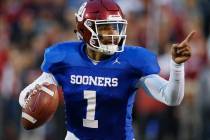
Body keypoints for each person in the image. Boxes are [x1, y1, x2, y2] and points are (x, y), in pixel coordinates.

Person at [18, 0, 195, 139]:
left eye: (117, 28)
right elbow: (25, 96)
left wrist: (177, 66)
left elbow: (171, 97)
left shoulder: (131, 61)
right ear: (84, 29)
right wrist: (38, 101)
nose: (113, 35)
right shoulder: (64, 57)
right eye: (104, 29)